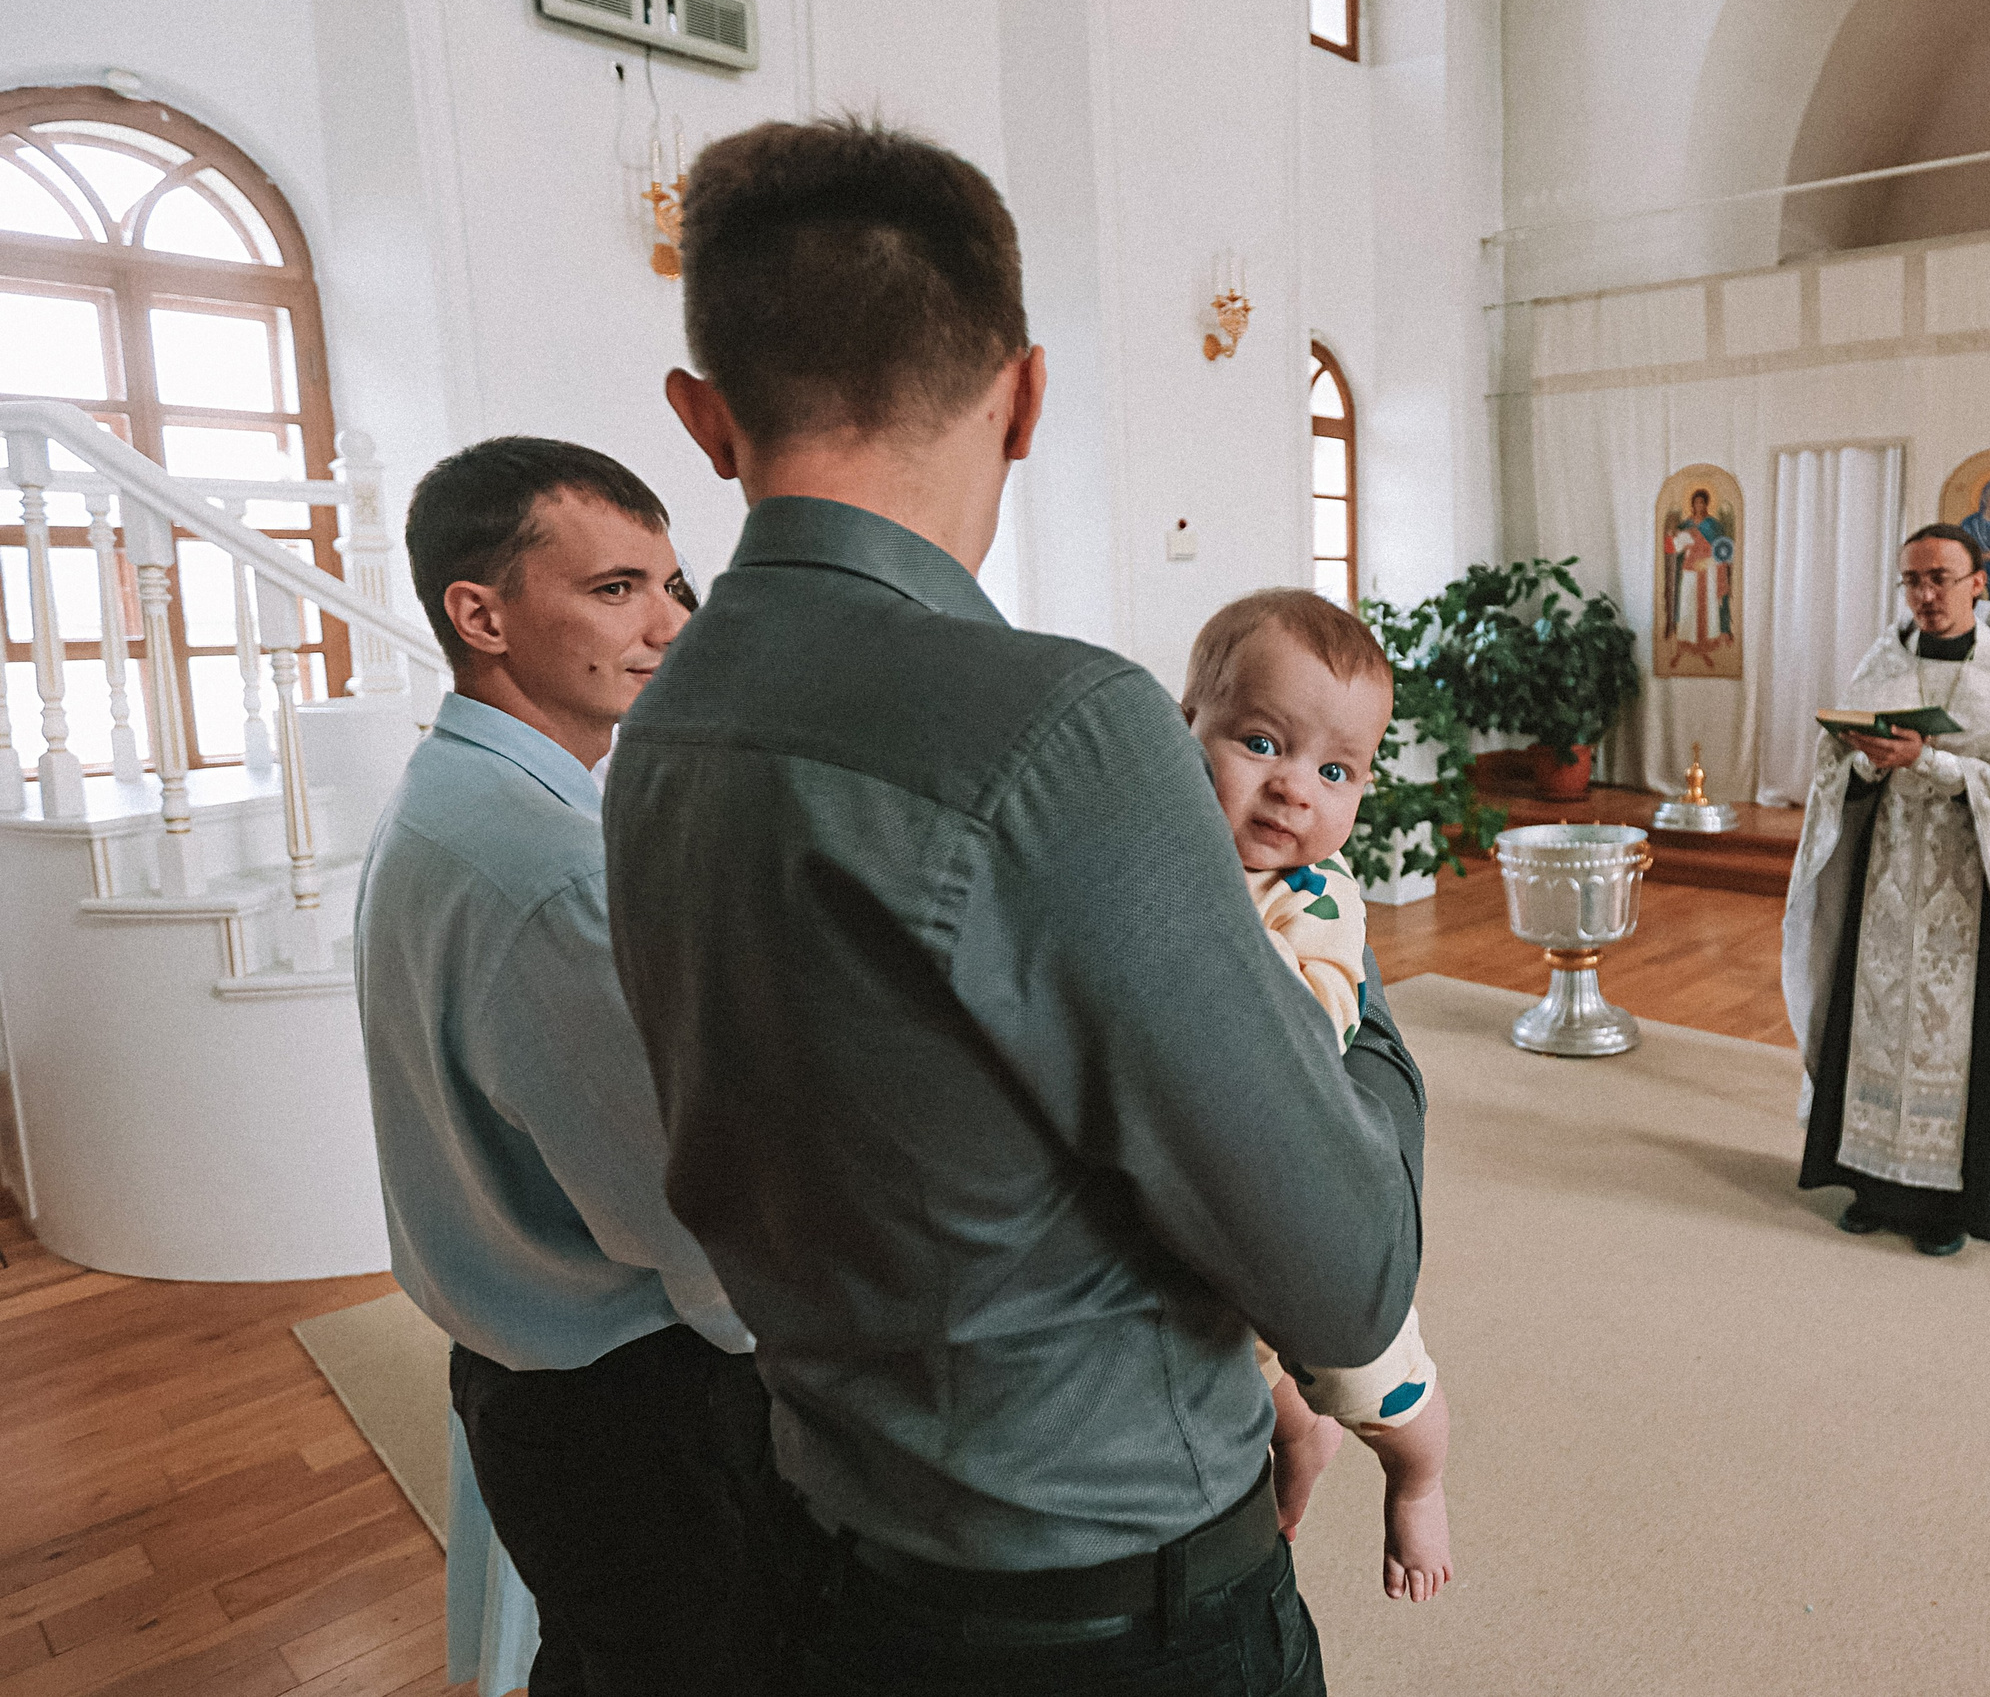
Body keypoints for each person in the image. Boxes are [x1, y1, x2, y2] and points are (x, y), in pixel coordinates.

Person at [604, 118, 1426, 1696]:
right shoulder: (1058, 729)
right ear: (1027, 395)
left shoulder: (668, 719)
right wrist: (1347, 971)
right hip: (1105, 1607)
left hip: (841, 1542)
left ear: (706, 421)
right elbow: (1344, 1267)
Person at [352, 437, 780, 1694]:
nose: (670, 623)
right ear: (480, 613)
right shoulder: (537, 870)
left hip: (529, 1365)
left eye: (672, 582)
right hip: (632, 1408)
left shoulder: (455, 791)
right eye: (615, 590)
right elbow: (688, 1218)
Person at [1179, 588, 1454, 1605]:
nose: (1295, 790)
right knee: (1259, 1379)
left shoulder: (1318, 895)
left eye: (1334, 770)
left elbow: (1312, 1029)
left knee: (1364, 1370)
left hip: (1296, 1182)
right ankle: (1305, 1441)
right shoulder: (1161, 860)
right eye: (1260, 741)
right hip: (1204, 1200)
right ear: (1185, 727)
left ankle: (1418, 1475)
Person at [1782, 523, 1990, 1256]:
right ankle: (1871, 1185)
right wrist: (1867, 762)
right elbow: (1832, 775)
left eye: (1940, 579)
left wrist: (1934, 763)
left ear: (1979, 583)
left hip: (1974, 896)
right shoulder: (1884, 660)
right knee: (1876, 1025)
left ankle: (1953, 1203)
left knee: (1963, 1043)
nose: (1925, 594)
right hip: (1889, 884)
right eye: (1912, 580)